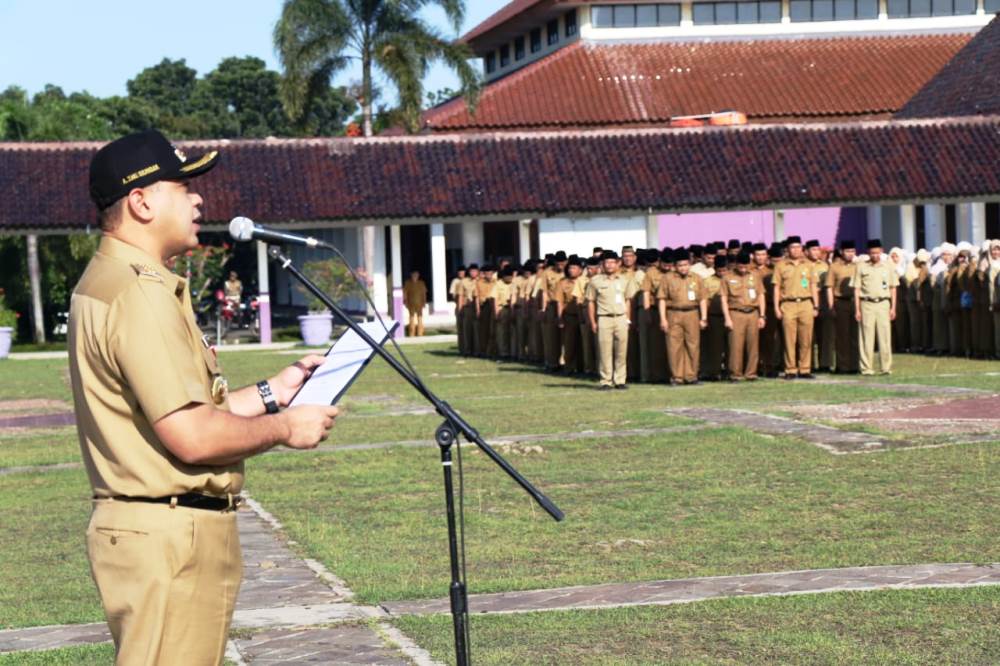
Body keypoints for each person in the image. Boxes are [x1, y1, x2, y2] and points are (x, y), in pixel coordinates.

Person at [68, 130, 339, 665]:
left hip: (162, 531)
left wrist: (273, 392)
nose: (198, 199)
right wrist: (287, 427)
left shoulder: (116, 281)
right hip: (168, 536)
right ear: (142, 201)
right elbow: (191, 436)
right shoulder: (138, 292)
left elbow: (179, 411)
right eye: (183, 185)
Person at [657, 249, 707, 385]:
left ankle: (691, 376)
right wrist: (663, 319)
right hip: (673, 313)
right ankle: (677, 377)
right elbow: (661, 299)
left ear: (689, 264)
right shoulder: (667, 278)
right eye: (680, 265)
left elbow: (702, 299)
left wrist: (703, 318)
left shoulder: (697, 278)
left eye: (685, 265)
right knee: (674, 346)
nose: (683, 268)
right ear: (675, 266)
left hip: (692, 313)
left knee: (693, 346)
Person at [586, 250, 634, 390]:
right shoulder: (595, 281)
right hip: (604, 318)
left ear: (618, 263)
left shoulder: (624, 280)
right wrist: (593, 322)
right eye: (607, 262)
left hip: (621, 318)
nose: (610, 265)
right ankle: (606, 380)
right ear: (602, 264)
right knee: (604, 351)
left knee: (621, 350)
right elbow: (590, 302)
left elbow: (628, 301)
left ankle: (620, 380)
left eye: (613, 262)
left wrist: (628, 319)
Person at [774, 236, 819, 379]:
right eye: (793, 247)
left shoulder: (808, 265)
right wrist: (776, 307)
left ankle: (805, 369)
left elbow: (813, 286)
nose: (796, 250)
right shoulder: (781, 265)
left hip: (806, 303)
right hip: (788, 304)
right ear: (787, 250)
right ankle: (790, 369)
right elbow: (776, 288)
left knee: (806, 339)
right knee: (789, 339)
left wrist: (816, 306)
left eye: (798, 247)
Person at [852, 238, 898, 375]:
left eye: (877, 253)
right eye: (872, 253)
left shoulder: (888, 266)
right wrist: (857, 309)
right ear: (868, 253)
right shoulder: (861, 266)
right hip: (866, 303)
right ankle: (866, 367)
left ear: (882, 252)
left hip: (883, 303)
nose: (875, 256)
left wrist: (893, 308)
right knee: (866, 337)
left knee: (885, 337)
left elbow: (893, 288)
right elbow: (856, 289)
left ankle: (886, 367)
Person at [721, 252, 765, 381]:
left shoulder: (755, 276)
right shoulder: (727, 277)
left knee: (753, 345)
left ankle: (751, 373)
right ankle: (735, 373)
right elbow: (724, 299)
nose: (743, 269)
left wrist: (762, 316)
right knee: (735, 345)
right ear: (736, 265)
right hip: (735, 313)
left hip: (753, 313)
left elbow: (761, 295)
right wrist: (727, 318)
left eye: (746, 267)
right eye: (740, 267)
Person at [825, 241, 858, 374]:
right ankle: (842, 366)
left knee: (855, 336)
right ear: (841, 252)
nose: (850, 254)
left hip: (855, 302)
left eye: (852, 251)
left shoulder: (858, 266)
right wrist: (831, 305)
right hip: (840, 302)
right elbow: (829, 287)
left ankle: (855, 366)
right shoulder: (834, 267)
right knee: (842, 336)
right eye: (847, 251)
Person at [556, 257, 585, 374]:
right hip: (570, 316)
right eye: (570, 268)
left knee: (584, 343)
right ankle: (569, 367)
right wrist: (560, 318)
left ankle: (583, 367)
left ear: (580, 270)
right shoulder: (563, 283)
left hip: (584, 315)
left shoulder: (585, 281)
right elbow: (560, 302)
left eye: (574, 268)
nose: (571, 270)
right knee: (569, 343)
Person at [402, 269, 428, 337]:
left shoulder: (421, 283)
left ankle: (420, 333)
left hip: (420, 303)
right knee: (411, 318)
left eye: (416, 275)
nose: (415, 276)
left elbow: (424, 293)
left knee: (420, 318)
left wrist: (424, 302)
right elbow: (405, 293)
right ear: (411, 275)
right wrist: (405, 301)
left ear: (418, 275)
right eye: (414, 275)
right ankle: (411, 333)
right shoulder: (408, 283)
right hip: (410, 303)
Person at [450, 266, 466, 351]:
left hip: (467, 307)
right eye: (460, 272)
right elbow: (452, 294)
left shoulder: (467, 280)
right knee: (460, 328)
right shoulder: (455, 281)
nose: (461, 274)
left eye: (463, 272)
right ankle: (461, 347)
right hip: (459, 306)